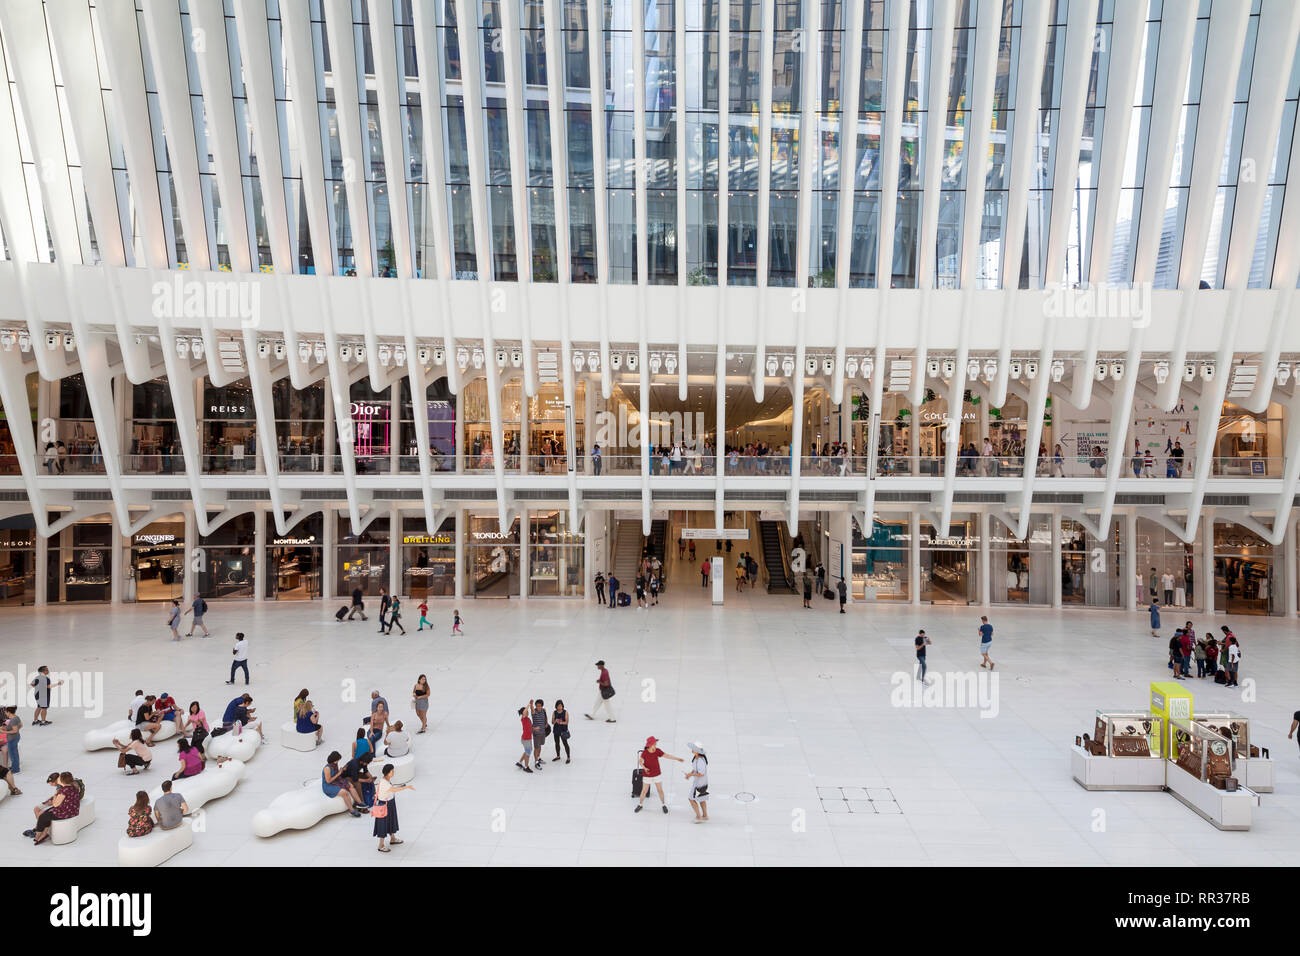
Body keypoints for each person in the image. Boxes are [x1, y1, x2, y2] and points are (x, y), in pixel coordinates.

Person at [27, 771, 81, 844]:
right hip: (73, 810)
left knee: (42, 817)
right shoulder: (73, 786)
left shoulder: (64, 790)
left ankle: (37, 837)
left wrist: (56, 794)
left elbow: (55, 805)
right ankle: (44, 834)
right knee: (46, 813)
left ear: (62, 780)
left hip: (65, 812)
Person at [635, 737, 684, 813]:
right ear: (650, 745)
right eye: (654, 743)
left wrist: (677, 758)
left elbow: (667, 756)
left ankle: (663, 805)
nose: (656, 744)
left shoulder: (657, 751)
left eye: (655, 743)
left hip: (657, 774)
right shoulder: (644, 752)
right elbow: (640, 761)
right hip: (647, 775)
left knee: (660, 790)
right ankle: (640, 804)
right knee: (644, 791)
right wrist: (644, 768)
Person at [373, 763, 415, 852]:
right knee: (383, 824)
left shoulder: (386, 780)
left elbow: (392, 788)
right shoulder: (384, 782)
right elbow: (393, 790)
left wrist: (401, 786)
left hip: (390, 803)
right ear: (388, 773)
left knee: (391, 821)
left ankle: (392, 838)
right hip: (384, 805)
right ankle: (380, 845)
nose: (393, 772)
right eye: (392, 771)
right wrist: (407, 787)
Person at [322, 751, 364, 817]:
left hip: (335, 781)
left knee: (350, 786)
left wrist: (341, 771)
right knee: (344, 792)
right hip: (328, 786)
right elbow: (328, 781)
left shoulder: (335, 764)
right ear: (333, 760)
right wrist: (339, 773)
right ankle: (351, 810)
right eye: (337, 760)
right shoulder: (327, 768)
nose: (337, 762)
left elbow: (336, 774)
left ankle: (360, 802)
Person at [684, 741, 709, 823]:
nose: (692, 750)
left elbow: (701, 773)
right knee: (702, 799)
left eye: (693, 749)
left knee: (691, 799)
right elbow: (695, 770)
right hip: (702, 782)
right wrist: (690, 774)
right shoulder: (696, 758)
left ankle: (699, 817)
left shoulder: (700, 761)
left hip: (699, 783)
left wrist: (691, 775)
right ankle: (705, 816)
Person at [530, 699, 549, 771]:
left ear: (542, 706)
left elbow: (545, 717)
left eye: (539, 706)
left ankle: (538, 758)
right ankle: (536, 761)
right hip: (536, 734)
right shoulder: (534, 712)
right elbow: (532, 710)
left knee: (540, 745)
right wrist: (531, 705)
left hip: (542, 732)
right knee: (536, 747)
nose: (538, 707)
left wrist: (546, 723)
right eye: (537, 706)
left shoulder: (543, 711)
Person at [516, 705, 535, 773]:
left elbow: (530, 728)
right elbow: (524, 712)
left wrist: (535, 729)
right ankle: (526, 767)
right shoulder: (523, 718)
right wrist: (529, 705)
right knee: (528, 753)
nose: (527, 712)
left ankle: (520, 762)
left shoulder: (528, 719)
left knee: (528, 751)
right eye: (526, 712)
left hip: (528, 738)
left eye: (528, 712)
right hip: (526, 739)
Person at [551, 699, 571, 764]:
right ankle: (558, 756)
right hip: (556, 730)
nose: (559, 707)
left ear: (562, 706)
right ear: (556, 706)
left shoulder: (565, 712)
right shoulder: (554, 712)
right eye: (558, 706)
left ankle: (568, 757)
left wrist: (561, 722)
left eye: (560, 706)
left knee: (565, 744)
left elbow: (567, 722)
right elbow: (552, 722)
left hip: (563, 731)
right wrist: (555, 721)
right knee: (557, 743)